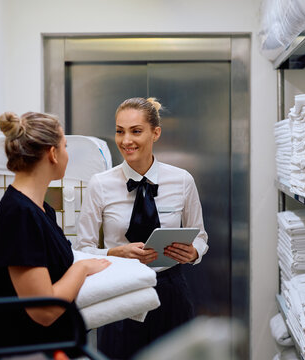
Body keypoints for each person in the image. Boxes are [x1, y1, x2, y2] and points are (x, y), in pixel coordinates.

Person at [75, 97, 209, 359]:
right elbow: (83, 249)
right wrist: (116, 254)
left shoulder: (182, 180)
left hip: (170, 290)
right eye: (120, 131)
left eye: (136, 131)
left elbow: (201, 236)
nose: (126, 140)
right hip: (118, 290)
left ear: (155, 133)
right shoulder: (100, 184)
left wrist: (194, 253)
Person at [0, 111, 111, 353]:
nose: (67, 154)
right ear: (52, 153)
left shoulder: (40, 209)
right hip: (23, 352)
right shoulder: (19, 215)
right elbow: (44, 310)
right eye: (65, 146)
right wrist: (82, 269)